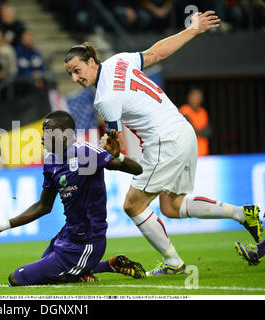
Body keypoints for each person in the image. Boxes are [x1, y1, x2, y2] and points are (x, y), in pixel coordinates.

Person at [63, 11, 262, 276]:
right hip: (183, 131)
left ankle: (173, 264)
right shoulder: (119, 61)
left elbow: (116, 146)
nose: (75, 79)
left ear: (91, 61)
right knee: (172, 206)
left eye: (77, 71)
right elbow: (156, 53)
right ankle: (241, 213)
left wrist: (110, 151)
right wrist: (192, 29)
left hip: (163, 141)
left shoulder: (103, 99)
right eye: (70, 75)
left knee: (133, 205)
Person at [0, 110, 146, 286]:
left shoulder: (87, 154)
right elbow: (43, 206)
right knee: (44, 271)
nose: (42, 137)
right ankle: (110, 265)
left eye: (47, 131)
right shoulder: (51, 162)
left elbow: (137, 170)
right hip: (66, 236)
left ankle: (82, 271)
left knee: (15, 279)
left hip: (87, 242)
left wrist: (118, 155)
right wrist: (0, 227)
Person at [179, 88, 211, 156]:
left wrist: (197, 131)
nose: (196, 100)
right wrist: (200, 131)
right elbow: (190, 130)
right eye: (194, 97)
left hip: (203, 153)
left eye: (198, 97)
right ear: (189, 97)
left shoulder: (203, 112)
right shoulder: (184, 110)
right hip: (189, 154)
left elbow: (208, 132)